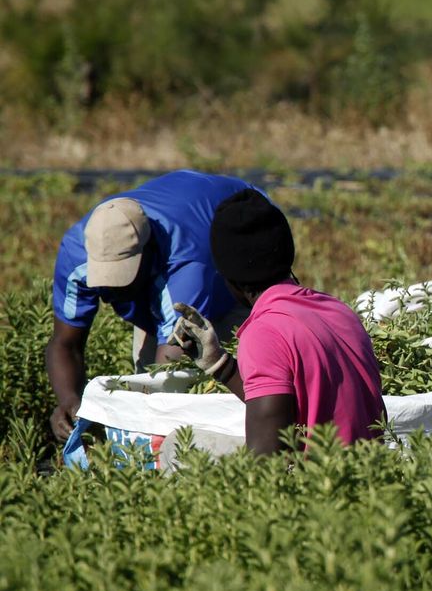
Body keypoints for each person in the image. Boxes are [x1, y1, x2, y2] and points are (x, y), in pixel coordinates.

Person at [46, 170, 261, 441]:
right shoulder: (77, 252)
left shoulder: (186, 263)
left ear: (147, 251)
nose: (111, 293)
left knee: (243, 384)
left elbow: (166, 372)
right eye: (105, 281)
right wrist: (69, 401)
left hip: (243, 235)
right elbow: (65, 343)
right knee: (149, 390)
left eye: (122, 278)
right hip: (180, 234)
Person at [172, 189, 385, 455]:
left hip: (322, 478)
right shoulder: (339, 310)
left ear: (228, 277)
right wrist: (218, 363)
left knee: (176, 448)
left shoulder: (265, 332)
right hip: (371, 472)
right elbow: (298, 404)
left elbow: (266, 458)